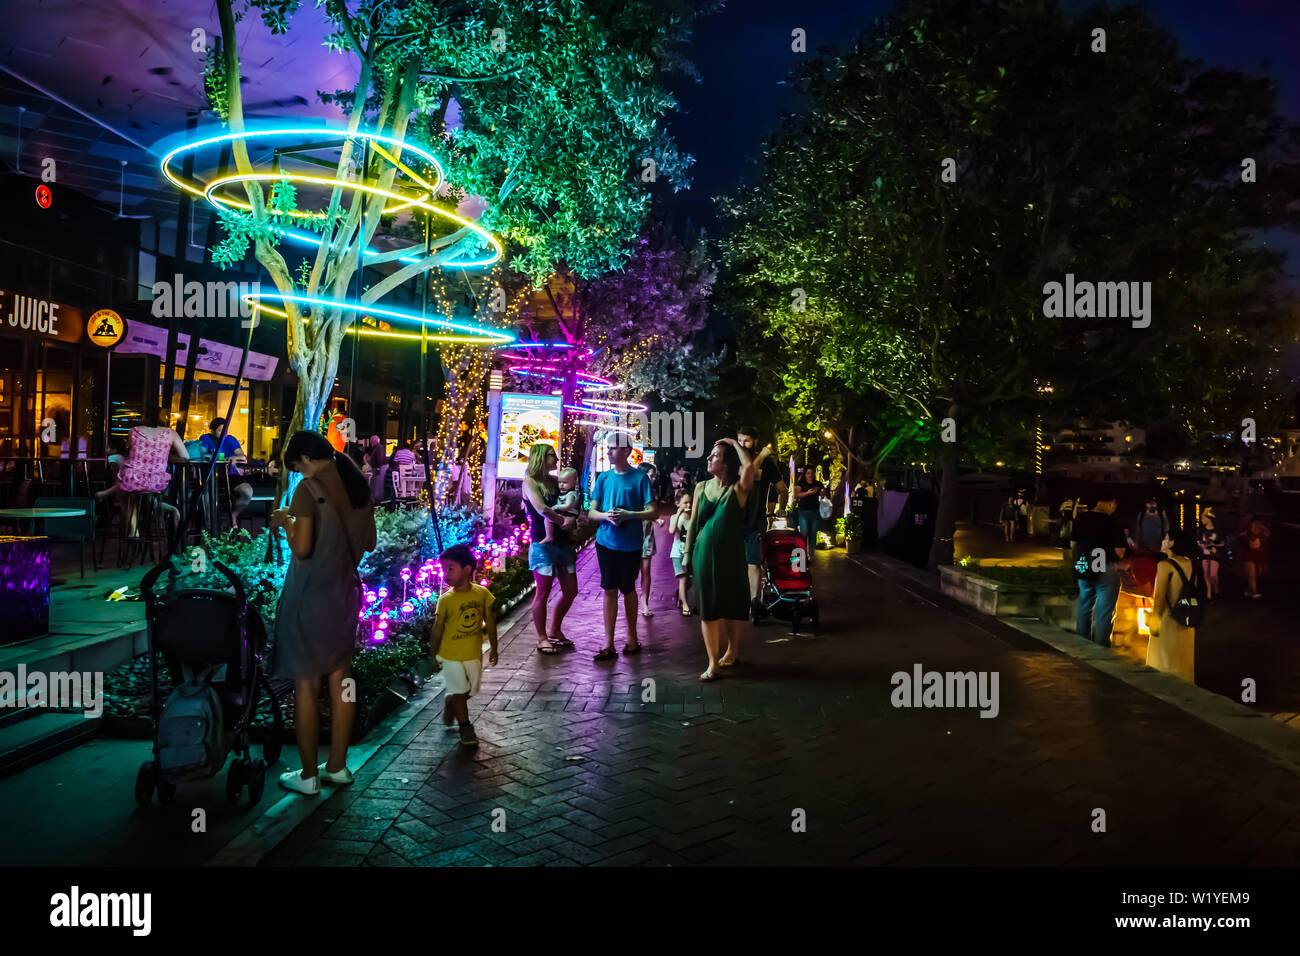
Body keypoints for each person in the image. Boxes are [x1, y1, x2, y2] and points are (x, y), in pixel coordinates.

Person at [271, 430, 377, 795]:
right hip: (345, 594)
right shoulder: (358, 485)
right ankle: (337, 766)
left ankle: (307, 776)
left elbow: (301, 550)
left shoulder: (306, 490)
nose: (299, 472)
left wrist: (285, 521)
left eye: (297, 465)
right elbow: (370, 542)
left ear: (304, 458)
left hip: (310, 598)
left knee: (305, 685)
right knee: (341, 682)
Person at [685, 438, 756, 679]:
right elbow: (693, 523)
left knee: (731, 605)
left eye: (714, 455)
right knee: (708, 608)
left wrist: (735, 444)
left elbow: (749, 469)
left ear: (726, 463)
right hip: (703, 555)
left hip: (731, 555)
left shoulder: (738, 489)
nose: (708, 458)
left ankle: (733, 651)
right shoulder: (701, 487)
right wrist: (686, 555)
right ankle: (713, 662)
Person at [587, 435, 656, 660]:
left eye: (614, 448)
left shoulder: (640, 478)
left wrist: (629, 515)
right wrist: (606, 516)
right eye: (608, 448)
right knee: (608, 588)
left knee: (628, 589)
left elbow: (653, 511)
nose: (609, 452)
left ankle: (632, 638)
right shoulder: (603, 479)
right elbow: (592, 512)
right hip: (605, 542)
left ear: (627, 451)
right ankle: (608, 643)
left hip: (630, 544)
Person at [430, 543, 498, 747]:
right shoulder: (446, 600)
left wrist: (494, 647)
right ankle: (465, 727)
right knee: (460, 690)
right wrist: (432, 653)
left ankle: (452, 702)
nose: (445, 573)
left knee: (471, 689)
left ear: (467, 570)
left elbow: (491, 620)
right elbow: (437, 628)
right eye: (444, 569)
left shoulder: (482, 594)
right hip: (450, 655)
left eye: (450, 568)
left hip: (473, 653)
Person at [522, 444, 579, 655]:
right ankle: (541, 637)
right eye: (552, 456)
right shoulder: (530, 482)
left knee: (571, 590)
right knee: (543, 591)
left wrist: (572, 519)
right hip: (543, 544)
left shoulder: (555, 482)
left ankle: (555, 629)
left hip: (564, 544)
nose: (556, 460)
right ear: (540, 457)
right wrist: (562, 520)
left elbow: (572, 499)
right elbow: (541, 508)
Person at [94, 406, 188, 524]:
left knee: (128, 494)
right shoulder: (171, 433)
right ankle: (168, 509)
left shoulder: (133, 431)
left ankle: (133, 532)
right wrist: (165, 455)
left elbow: (132, 450)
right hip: (156, 481)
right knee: (141, 493)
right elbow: (185, 456)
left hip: (132, 478)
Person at [738, 426, 786, 620]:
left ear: (755, 441)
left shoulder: (767, 464)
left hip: (756, 520)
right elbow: (745, 475)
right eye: (739, 440)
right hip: (733, 519)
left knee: (754, 563)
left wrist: (780, 510)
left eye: (746, 441)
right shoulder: (734, 461)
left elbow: (783, 489)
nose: (742, 445)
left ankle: (754, 603)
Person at [1070, 498, 1127, 647]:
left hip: (1084, 566)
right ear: (1108, 503)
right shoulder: (1112, 522)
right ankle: (1100, 646)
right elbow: (1120, 551)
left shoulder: (1081, 518)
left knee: (1084, 604)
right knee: (1105, 611)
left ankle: (1082, 642)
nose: (1114, 508)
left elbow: (1072, 544)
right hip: (1105, 567)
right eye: (1115, 504)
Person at [1147, 530, 1198, 682]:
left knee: (1164, 663)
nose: (1162, 541)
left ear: (1172, 543)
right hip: (1185, 619)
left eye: (1166, 538)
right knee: (1183, 661)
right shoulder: (1189, 562)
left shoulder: (1165, 565)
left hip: (1168, 620)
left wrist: (1154, 621)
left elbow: (1159, 597)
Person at [199, 417, 254, 525]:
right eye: (220, 430)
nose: (223, 433)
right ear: (212, 431)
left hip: (230, 475)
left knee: (247, 491)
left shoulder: (230, 439)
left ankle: (233, 514)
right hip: (211, 475)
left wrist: (233, 458)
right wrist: (224, 458)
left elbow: (242, 457)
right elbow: (203, 455)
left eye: (225, 430)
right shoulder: (205, 438)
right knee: (207, 499)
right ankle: (209, 527)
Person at [668, 488, 695, 616]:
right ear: (678, 503)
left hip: (690, 552)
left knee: (689, 581)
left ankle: (680, 594)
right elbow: (672, 530)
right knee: (683, 579)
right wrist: (679, 514)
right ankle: (685, 604)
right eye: (685, 503)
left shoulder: (694, 517)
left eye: (690, 502)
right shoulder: (675, 517)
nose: (688, 505)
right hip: (678, 553)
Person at [640, 499, 666, 617]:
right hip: (632, 536)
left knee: (646, 571)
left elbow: (653, 512)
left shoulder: (648, 494)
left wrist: (656, 518)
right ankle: (630, 600)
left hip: (646, 538)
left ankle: (644, 602)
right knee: (631, 573)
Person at [542, 467, 581, 544]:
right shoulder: (565, 493)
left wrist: (556, 507)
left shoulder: (571, 494)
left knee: (548, 518)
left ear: (574, 482)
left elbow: (568, 505)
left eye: (565, 482)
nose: (561, 485)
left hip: (568, 515)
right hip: (566, 514)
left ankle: (549, 536)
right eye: (559, 482)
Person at [793, 465, 824, 554]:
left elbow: (824, 495)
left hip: (815, 511)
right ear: (805, 474)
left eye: (812, 473)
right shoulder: (801, 483)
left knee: (813, 534)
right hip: (803, 512)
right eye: (808, 473)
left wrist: (822, 492)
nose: (810, 475)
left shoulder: (818, 484)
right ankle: (803, 552)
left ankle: (811, 553)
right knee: (804, 533)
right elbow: (796, 495)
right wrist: (808, 493)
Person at [1240, 514, 1271, 599]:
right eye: (1256, 522)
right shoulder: (1247, 532)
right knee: (1252, 574)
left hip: (1259, 557)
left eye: (1260, 522)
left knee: (1258, 573)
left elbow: (1267, 536)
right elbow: (1247, 541)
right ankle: (1255, 592)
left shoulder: (1263, 532)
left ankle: (1249, 589)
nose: (1258, 524)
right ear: (1252, 523)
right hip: (1249, 556)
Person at [1196, 508, 1224, 601]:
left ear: (1209, 519)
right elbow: (1198, 542)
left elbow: (1223, 543)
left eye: (1203, 518)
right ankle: (1209, 594)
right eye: (1201, 518)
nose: (1201, 520)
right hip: (1204, 554)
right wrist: (1201, 545)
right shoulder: (1201, 530)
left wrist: (1214, 545)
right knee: (1206, 575)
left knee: (1213, 575)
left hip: (1214, 554)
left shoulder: (1218, 530)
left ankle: (1216, 590)